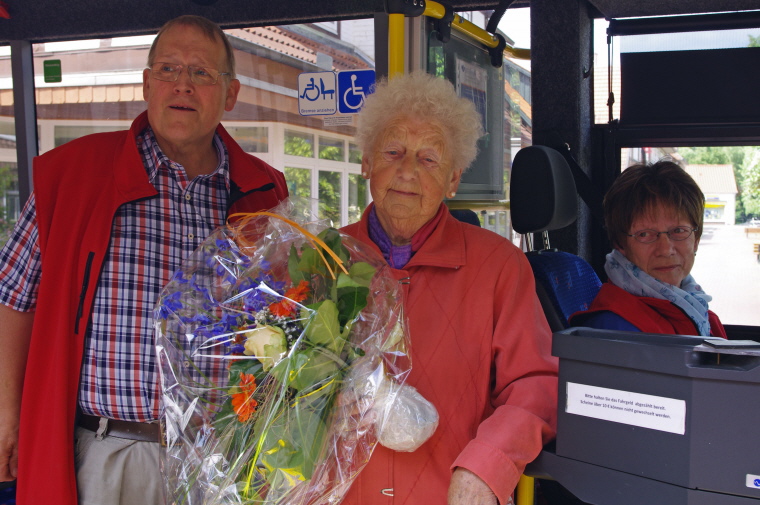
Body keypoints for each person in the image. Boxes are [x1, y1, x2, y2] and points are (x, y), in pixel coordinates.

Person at [0, 15, 288, 505]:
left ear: (230, 94)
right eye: (168, 69)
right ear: (147, 83)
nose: (182, 84)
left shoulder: (262, 193)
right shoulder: (72, 176)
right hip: (104, 452)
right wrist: (7, 414)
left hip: (216, 454)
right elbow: (12, 299)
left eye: (201, 73)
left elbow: (282, 323)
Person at [340, 71, 558, 505]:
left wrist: (488, 465)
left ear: (453, 180)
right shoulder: (323, 260)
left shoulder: (499, 266)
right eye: (393, 151)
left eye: (428, 159)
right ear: (366, 161)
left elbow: (536, 384)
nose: (406, 171)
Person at [570, 160, 726, 337]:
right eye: (645, 234)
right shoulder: (616, 329)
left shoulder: (698, 311)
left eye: (679, 231)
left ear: (696, 239)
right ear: (620, 244)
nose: (666, 249)